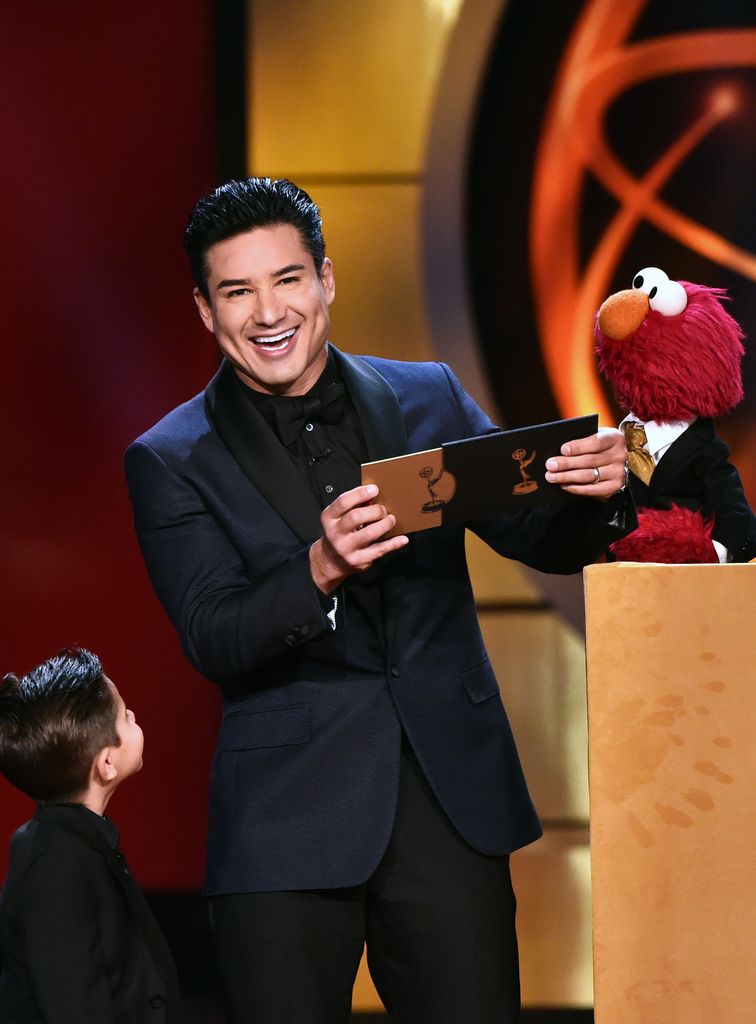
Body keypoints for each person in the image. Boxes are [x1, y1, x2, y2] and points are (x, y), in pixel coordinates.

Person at [124, 176, 634, 1024]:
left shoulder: (427, 394)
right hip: (286, 821)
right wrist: (318, 566)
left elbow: (538, 541)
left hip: (449, 801)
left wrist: (597, 495)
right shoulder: (172, 457)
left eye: (286, 279)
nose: (267, 311)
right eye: (237, 291)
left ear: (325, 280)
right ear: (206, 311)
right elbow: (213, 633)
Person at [0, 646, 180, 1023]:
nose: (132, 715)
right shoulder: (55, 866)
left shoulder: (78, 843)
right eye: (124, 716)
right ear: (106, 764)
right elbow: (75, 1005)